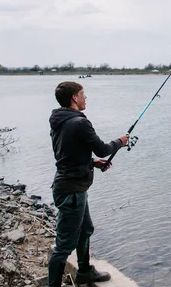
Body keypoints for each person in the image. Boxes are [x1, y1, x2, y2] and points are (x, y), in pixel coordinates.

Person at [47, 81, 129, 286]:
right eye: (83, 94)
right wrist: (120, 141)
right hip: (71, 191)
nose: (86, 98)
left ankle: (84, 271)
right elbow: (102, 148)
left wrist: (92, 162)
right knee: (64, 247)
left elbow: (65, 154)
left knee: (85, 230)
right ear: (74, 98)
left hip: (73, 189)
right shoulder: (79, 122)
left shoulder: (60, 120)